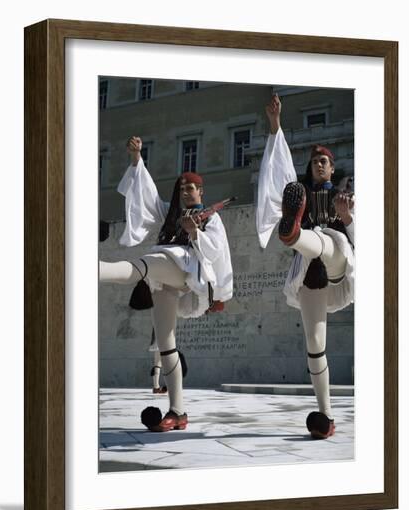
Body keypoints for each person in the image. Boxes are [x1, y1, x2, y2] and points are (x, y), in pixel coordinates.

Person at [100, 136, 233, 432]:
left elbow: (216, 251)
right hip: (165, 280)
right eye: (182, 188)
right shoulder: (170, 213)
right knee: (166, 343)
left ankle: (96, 270)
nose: (186, 192)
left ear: (201, 191)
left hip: (185, 269)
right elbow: (146, 197)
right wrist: (137, 159)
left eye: (191, 188)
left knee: (144, 265)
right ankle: (178, 412)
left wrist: (195, 233)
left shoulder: (209, 219)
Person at [256, 95, 355, 439]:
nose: (318, 165)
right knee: (314, 343)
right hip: (309, 272)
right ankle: (325, 415)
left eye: (323, 161)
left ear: (332, 166)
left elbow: (363, 239)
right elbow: (280, 165)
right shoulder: (302, 194)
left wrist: (348, 218)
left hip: (338, 259)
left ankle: (295, 233)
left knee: (326, 240)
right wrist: (274, 124)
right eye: (314, 162)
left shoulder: (348, 194)